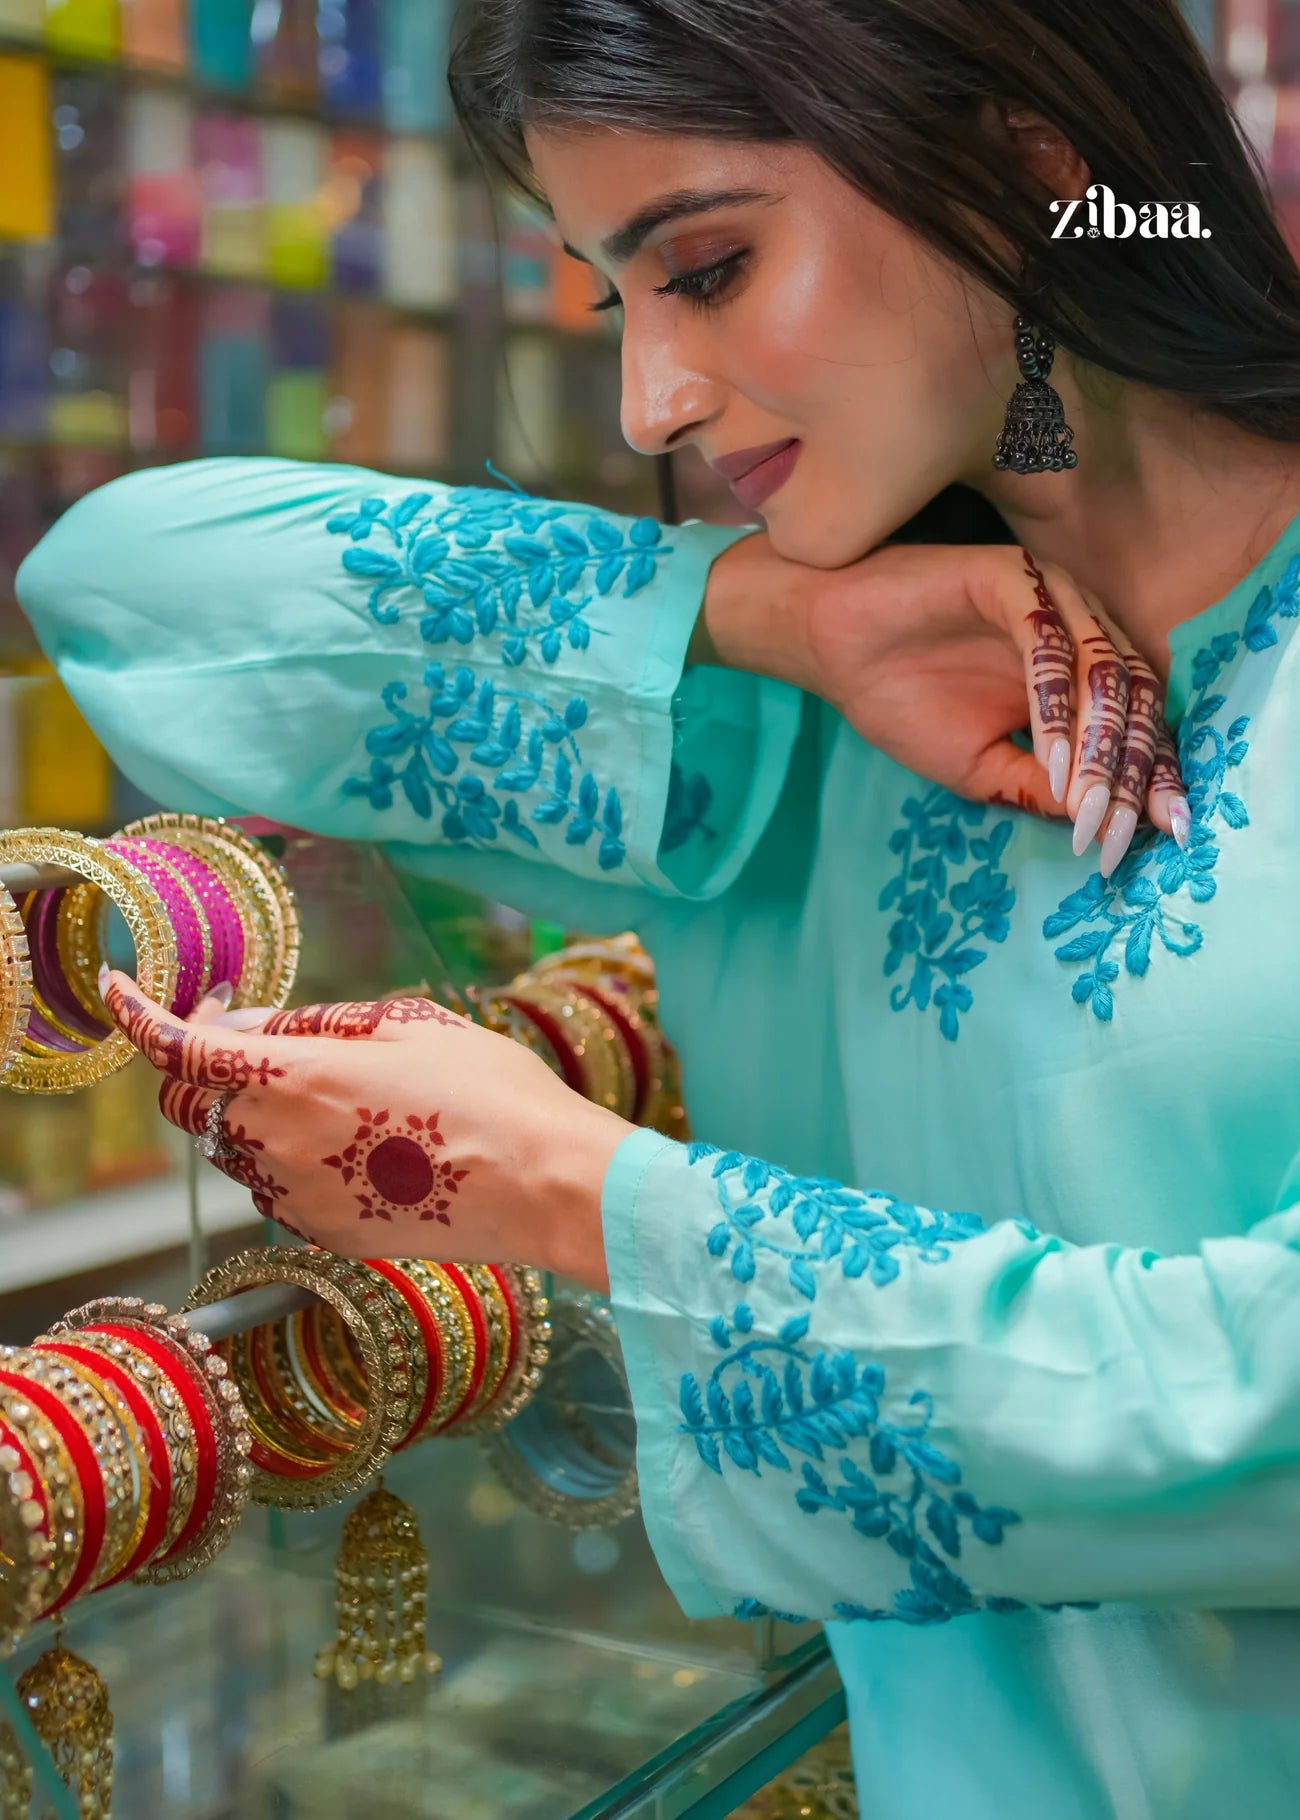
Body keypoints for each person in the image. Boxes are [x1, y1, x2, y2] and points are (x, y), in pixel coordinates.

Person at [17, 0, 1300, 1813]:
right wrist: (768, 615)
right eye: (615, 298)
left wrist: (575, 1192)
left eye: (706, 269)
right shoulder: (784, 731)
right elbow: (129, 593)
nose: (651, 402)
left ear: (1029, 168)